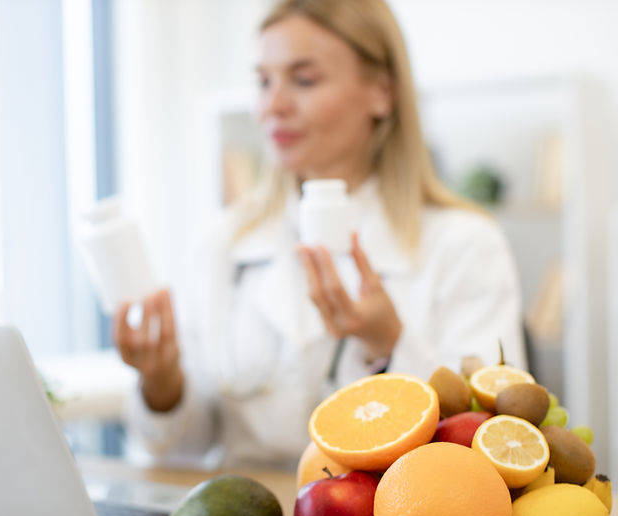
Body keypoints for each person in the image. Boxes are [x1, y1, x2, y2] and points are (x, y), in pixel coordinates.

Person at [113, 0, 526, 469]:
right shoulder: (221, 243)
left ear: (381, 93)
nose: (273, 106)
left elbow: (493, 440)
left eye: (304, 80)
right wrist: (162, 382)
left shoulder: (465, 244)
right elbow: (185, 449)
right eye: (264, 81)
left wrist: (388, 343)